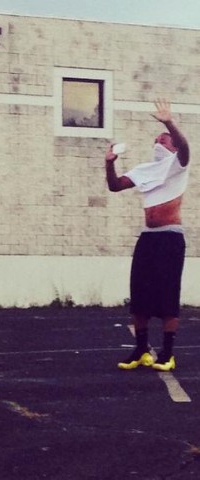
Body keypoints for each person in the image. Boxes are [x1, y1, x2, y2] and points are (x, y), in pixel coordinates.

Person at [105, 98, 190, 372]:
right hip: (148, 238)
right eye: (156, 139)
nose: (158, 141)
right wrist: (109, 163)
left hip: (170, 238)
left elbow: (185, 147)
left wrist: (169, 123)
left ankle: (167, 353)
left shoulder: (178, 165)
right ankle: (141, 350)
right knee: (139, 294)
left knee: (167, 294)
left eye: (163, 139)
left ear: (172, 147)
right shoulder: (145, 170)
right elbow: (115, 186)